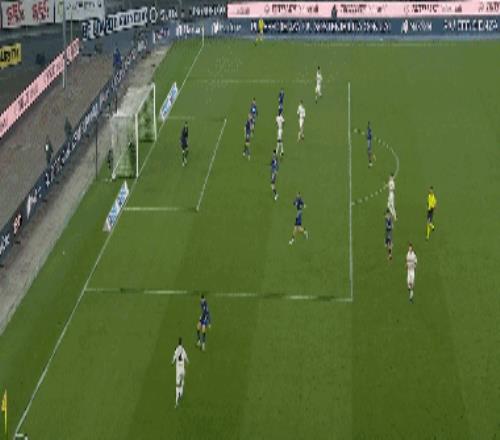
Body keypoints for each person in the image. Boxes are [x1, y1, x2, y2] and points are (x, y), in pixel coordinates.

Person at [172, 337, 189, 408]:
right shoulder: (183, 350)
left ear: (178, 343)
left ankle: (176, 401)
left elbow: (174, 358)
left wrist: (172, 362)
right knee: (182, 381)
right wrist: (187, 361)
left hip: (178, 370)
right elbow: (186, 358)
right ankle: (181, 393)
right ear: (182, 342)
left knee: (177, 384)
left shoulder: (176, 349)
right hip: (182, 369)